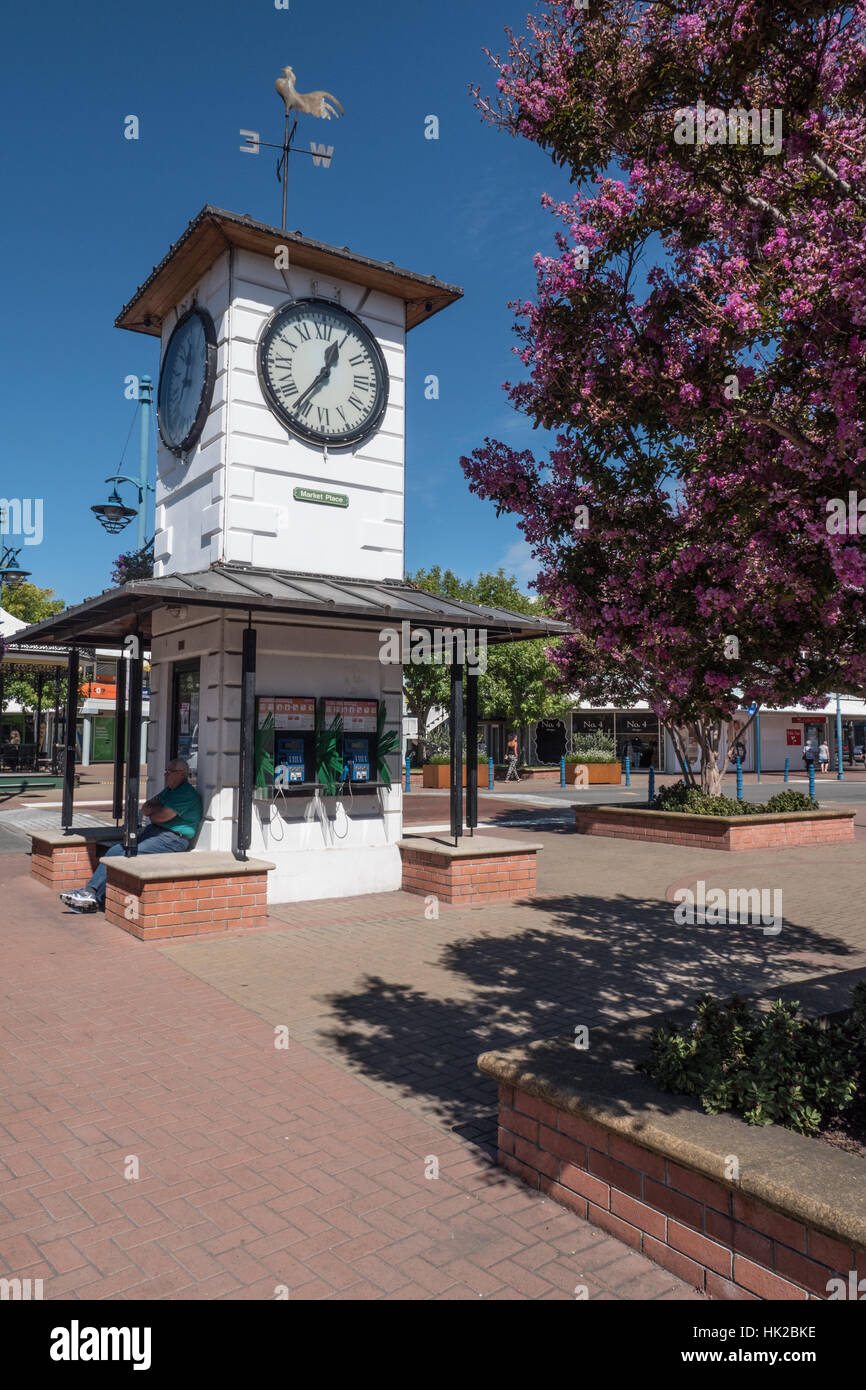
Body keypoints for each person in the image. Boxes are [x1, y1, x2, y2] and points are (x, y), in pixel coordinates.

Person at [60, 759, 203, 914]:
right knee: (115, 850)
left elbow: (160, 816)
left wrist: (156, 811)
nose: (165, 774)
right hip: (155, 832)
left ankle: (91, 894)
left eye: (170, 771)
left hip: (173, 839)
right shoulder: (169, 790)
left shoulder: (186, 793)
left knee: (127, 854)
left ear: (182, 774)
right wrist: (156, 810)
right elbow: (147, 806)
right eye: (166, 770)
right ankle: (92, 894)